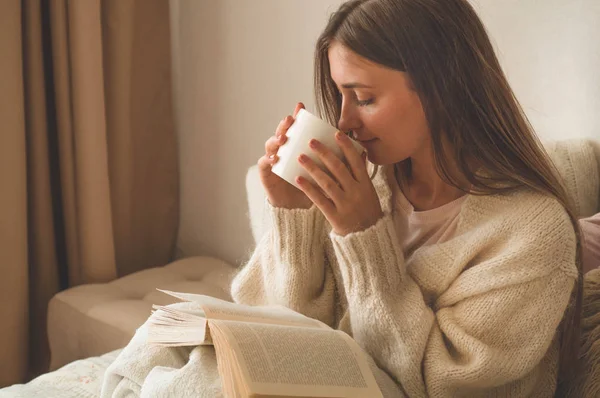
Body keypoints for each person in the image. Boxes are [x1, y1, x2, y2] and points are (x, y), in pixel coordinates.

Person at [231, 0, 582, 397]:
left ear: (441, 88)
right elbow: (273, 338)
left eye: (362, 97)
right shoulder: (364, 182)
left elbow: (438, 386)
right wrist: (293, 220)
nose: (344, 121)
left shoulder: (531, 232)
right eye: (339, 95)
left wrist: (363, 235)